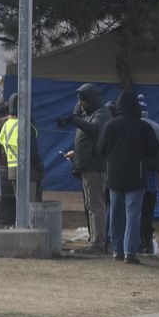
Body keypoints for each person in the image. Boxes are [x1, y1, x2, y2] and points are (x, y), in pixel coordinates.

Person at [97, 90, 159, 263]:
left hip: (115, 175)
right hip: (136, 175)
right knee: (133, 214)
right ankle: (130, 253)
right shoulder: (143, 127)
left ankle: (116, 250)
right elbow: (154, 150)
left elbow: (101, 149)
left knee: (115, 213)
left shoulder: (110, 125)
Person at [56, 83, 112, 254]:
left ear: (92, 100)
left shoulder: (102, 114)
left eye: (83, 101)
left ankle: (98, 243)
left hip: (95, 168)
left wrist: (74, 120)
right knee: (91, 206)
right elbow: (89, 141)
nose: (81, 104)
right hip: (87, 167)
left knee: (96, 206)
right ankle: (95, 240)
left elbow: (95, 129)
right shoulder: (89, 114)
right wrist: (76, 154)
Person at [137, 94, 159, 255]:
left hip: (133, 173)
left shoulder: (131, 125)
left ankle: (133, 242)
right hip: (152, 174)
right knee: (148, 210)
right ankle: (147, 243)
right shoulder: (158, 128)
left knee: (132, 208)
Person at [0, 92, 44, 204]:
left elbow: (3, 150)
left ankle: (20, 222)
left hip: (13, 171)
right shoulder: (25, 125)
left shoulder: (6, 125)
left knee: (20, 205)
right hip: (28, 171)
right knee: (29, 205)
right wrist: (40, 167)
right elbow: (33, 152)